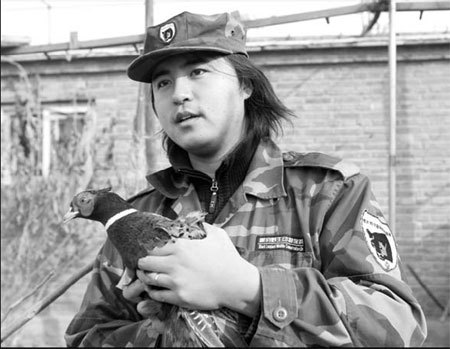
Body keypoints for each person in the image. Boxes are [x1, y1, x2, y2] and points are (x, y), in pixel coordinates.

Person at [65, 11, 427, 347]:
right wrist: (160, 327)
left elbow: (398, 326)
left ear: (245, 85)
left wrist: (248, 289)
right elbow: (86, 336)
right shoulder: (137, 215)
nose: (179, 94)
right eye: (162, 83)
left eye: (198, 72)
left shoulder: (327, 191)